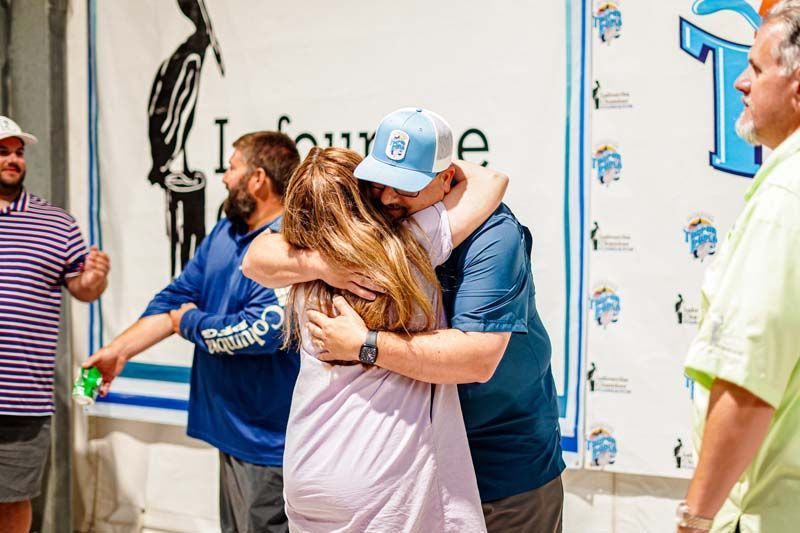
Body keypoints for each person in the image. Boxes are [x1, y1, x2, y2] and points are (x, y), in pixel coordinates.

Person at [244, 108, 565, 533]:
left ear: (447, 179)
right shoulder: (370, 225)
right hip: (413, 458)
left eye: (407, 185)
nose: (389, 198)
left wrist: (365, 343)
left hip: (499, 461)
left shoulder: (490, 234)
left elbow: (477, 358)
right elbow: (257, 255)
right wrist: (324, 263)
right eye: (380, 181)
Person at [85, 131, 300, 533]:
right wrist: (119, 350)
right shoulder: (225, 232)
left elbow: (260, 331)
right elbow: (176, 299)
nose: (224, 177)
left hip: (270, 442)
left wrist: (189, 322)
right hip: (229, 430)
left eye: (232, 167)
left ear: (257, 179)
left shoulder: (288, 244)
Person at [678, 3, 800, 532]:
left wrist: (694, 519)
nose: (740, 83)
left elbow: (748, 384)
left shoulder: (784, 199)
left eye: (755, 68)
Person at [0, 116, 110, 533]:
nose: (13, 160)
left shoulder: (57, 223)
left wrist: (94, 278)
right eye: (2, 151)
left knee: (13, 498)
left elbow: (83, 288)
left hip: (23, 396)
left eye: (18, 152)